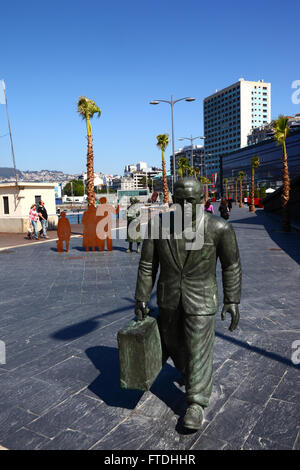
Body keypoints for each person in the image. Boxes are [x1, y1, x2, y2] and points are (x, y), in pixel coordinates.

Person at [134, 177, 241, 430]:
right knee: (173, 343)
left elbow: (231, 265)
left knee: (197, 347)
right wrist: (141, 296)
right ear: (173, 200)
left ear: (201, 200)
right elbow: (148, 265)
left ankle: (196, 403)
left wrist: (232, 299)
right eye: (179, 200)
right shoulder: (158, 225)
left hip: (202, 297)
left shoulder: (219, 228)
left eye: (190, 200)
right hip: (169, 297)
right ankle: (189, 372)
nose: (184, 205)